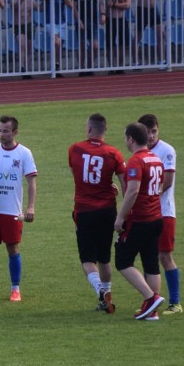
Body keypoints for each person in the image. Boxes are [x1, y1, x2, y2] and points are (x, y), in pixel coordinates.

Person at [68, 113, 125, 313]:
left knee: (87, 260)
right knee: (104, 258)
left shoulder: (75, 149)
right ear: (105, 130)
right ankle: (105, 299)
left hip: (84, 210)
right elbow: (125, 184)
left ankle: (101, 293)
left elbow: (80, 175)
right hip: (108, 211)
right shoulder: (114, 153)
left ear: (89, 129)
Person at [0, 116, 37, 302]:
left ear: (15, 132)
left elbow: (31, 182)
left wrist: (30, 207)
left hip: (11, 211)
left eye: (6, 131)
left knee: (13, 248)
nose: (2, 134)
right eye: (0, 130)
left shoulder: (24, 153)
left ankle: (15, 289)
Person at [114, 122, 165, 321]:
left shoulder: (136, 161)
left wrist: (120, 217)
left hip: (140, 219)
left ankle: (150, 298)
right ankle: (152, 311)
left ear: (131, 139)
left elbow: (133, 190)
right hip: (156, 217)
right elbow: (159, 187)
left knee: (123, 261)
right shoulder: (156, 158)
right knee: (151, 263)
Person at [138, 114, 181, 314]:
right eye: (147, 132)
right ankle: (150, 301)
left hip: (164, 212)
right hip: (147, 214)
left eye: (154, 131)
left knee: (165, 256)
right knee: (149, 257)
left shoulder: (166, 151)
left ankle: (175, 302)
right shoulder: (140, 152)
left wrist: (146, 195)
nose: (151, 136)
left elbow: (168, 181)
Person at [70, 0, 105, 72]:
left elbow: (100, 3)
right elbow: (74, 7)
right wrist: (78, 20)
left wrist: (103, 14)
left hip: (93, 21)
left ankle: (90, 65)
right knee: (82, 45)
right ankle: (81, 68)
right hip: (82, 20)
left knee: (95, 46)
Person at [136, 0, 166, 64]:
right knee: (138, 36)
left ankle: (161, 60)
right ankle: (135, 61)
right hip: (143, 9)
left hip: (154, 10)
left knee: (161, 34)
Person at [105, 0, 132, 69]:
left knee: (122, 44)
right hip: (111, 19)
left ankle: (120, 66)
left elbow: (128, 5)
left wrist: (115, 5)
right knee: (110, 44)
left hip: (121, 19)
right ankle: (112, 66)